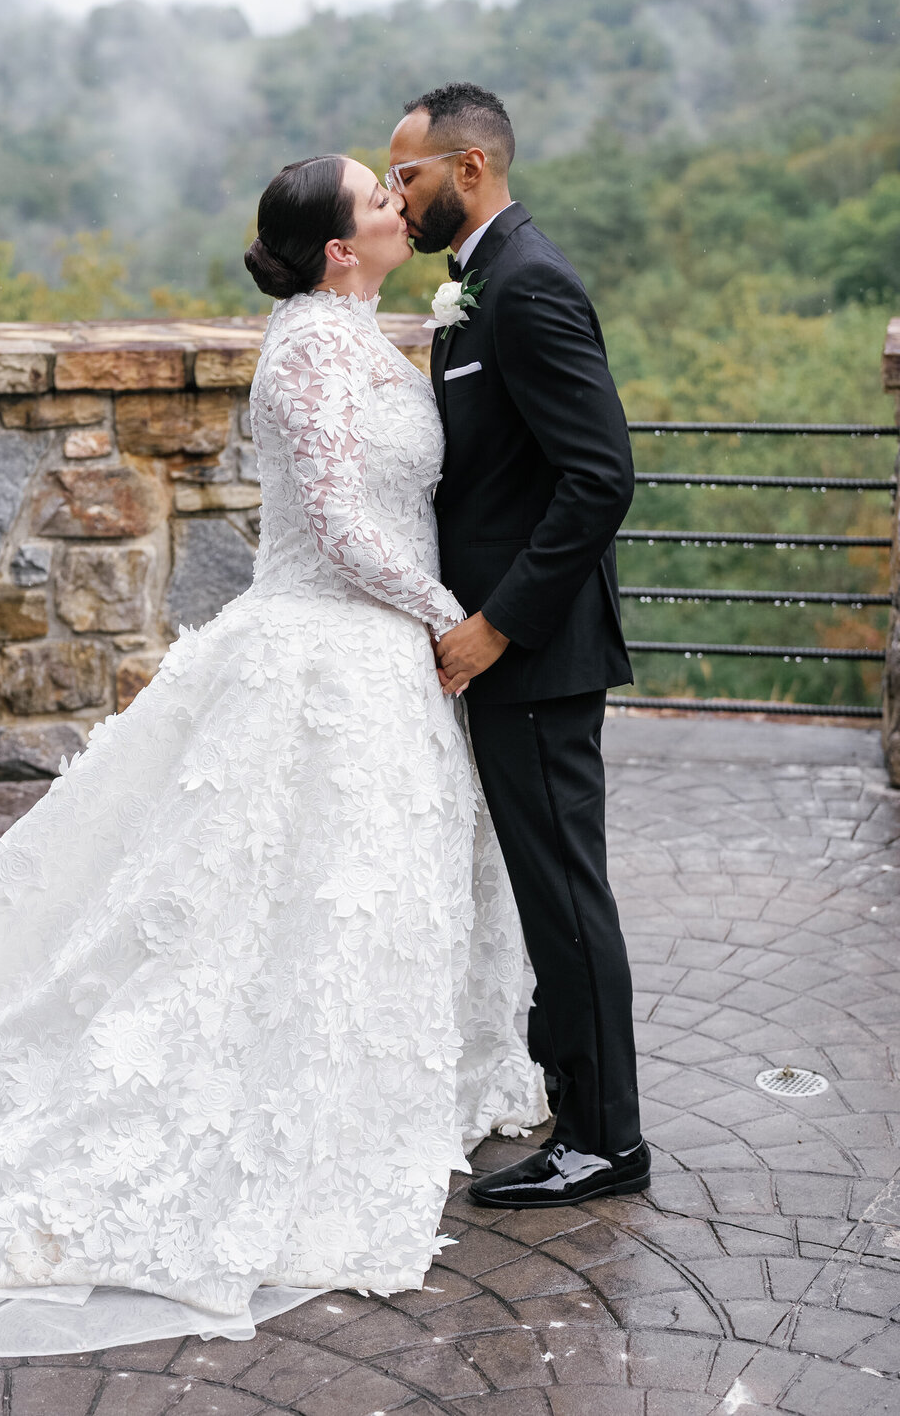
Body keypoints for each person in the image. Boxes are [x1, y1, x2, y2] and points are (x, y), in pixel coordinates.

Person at [0, 152, 545, 1357]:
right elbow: (343, 524)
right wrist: (444, 613)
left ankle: (359, 1087)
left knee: (333, 899)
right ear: (338, 248)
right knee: (230, 906)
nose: (396, 203)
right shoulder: (306, 346)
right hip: (329, 647)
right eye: (375, 197)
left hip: (376, 667)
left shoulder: (366, 329)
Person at [388, 83, 650, 1208]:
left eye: (408, 175)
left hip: (534, 654)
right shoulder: (476, 284)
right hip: (503, 651)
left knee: (566, 896)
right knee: (547, 894)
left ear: (471, 170)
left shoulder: (530, 285)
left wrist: (496, 626)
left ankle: (606, 1141)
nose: (398, 196)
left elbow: (602, 476)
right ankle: (577, 1106)